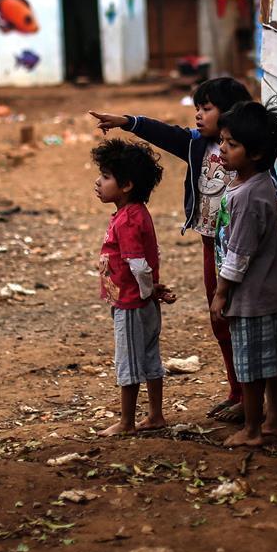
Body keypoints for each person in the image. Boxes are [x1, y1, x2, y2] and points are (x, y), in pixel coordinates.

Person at [88, 78, 277, 423]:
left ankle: (252, 399)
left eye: (206, 108)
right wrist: (126, 121)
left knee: (239, 318)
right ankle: (238, 390)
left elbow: (270, 185)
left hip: (242, 252)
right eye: (197, 108)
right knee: (222, 320)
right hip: (213, 245)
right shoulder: (198, 146)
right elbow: (164, 133)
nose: (198, 115)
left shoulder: (246, 152)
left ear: (229, 114)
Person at [209, 99, 277, 447]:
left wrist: (222, 291)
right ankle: (275, 420)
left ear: (255, 153)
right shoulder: (255, 185)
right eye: (223, 141)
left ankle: (253, 429)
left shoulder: (247, 195)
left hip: (249, 297)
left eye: (232, 144)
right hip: (264, 293)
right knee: (269, 362)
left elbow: (239, 253)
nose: (222, 149)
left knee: (252, 368)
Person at [92, 139, 175, 436]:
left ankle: (127, 422)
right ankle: (155, 415)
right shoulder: (138, 212)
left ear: (126, 185)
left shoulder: (127, 220)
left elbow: (137, 263)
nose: (98, 182)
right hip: (143, 301)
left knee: (128, 362)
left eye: (105, 176)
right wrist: (151, 290)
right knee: (151, 356)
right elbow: (152, 254)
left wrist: (145, 291)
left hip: (131, 303)